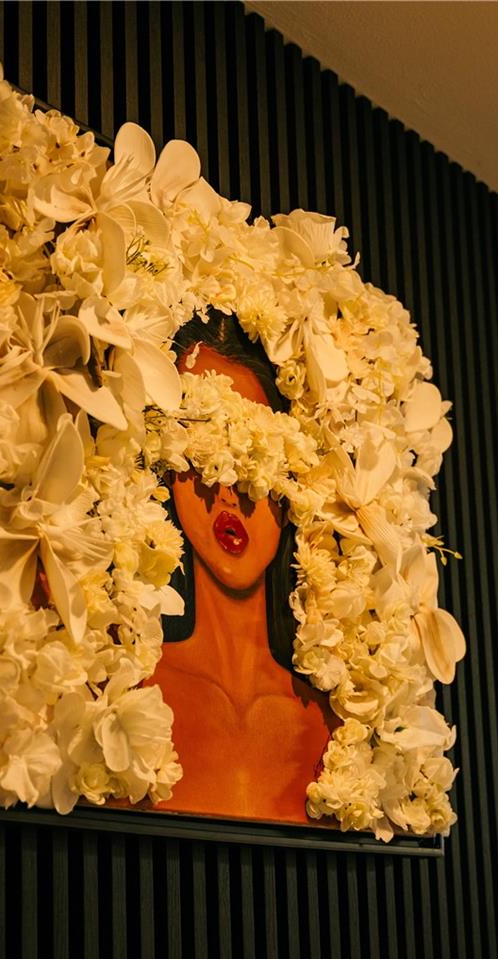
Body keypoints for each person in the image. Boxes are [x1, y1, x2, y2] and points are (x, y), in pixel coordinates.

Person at [147, 314, 336, 824]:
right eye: (203, 446)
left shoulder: (347, 727)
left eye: (253, 452)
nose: (228, 485)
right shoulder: (124, 695)